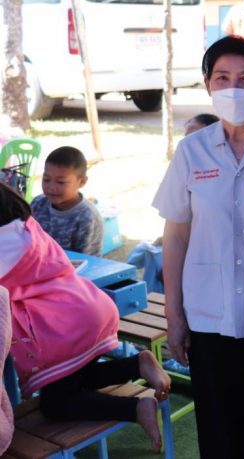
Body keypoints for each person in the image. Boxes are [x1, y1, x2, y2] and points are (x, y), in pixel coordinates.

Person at [152, 36, 244, 458]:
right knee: (221, 435)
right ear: (208, 85)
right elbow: (176, 236)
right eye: (222, 78)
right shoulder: (192, 151)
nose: (234, 88)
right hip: (208, 319)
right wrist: (174, 315)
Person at [0, 182, 170, 451]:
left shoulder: (5, 244)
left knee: (55, 404)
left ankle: (135, 408)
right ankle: (136, 365)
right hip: (86, 307)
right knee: (79, 378)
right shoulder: (24, 227)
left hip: (62, 326)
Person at [30, 146, 103, 255]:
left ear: (81, 182)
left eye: (60, 182)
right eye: (46, 179)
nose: (51, 187)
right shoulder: (38, 204)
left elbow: (85, 260)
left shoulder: (87, 217)